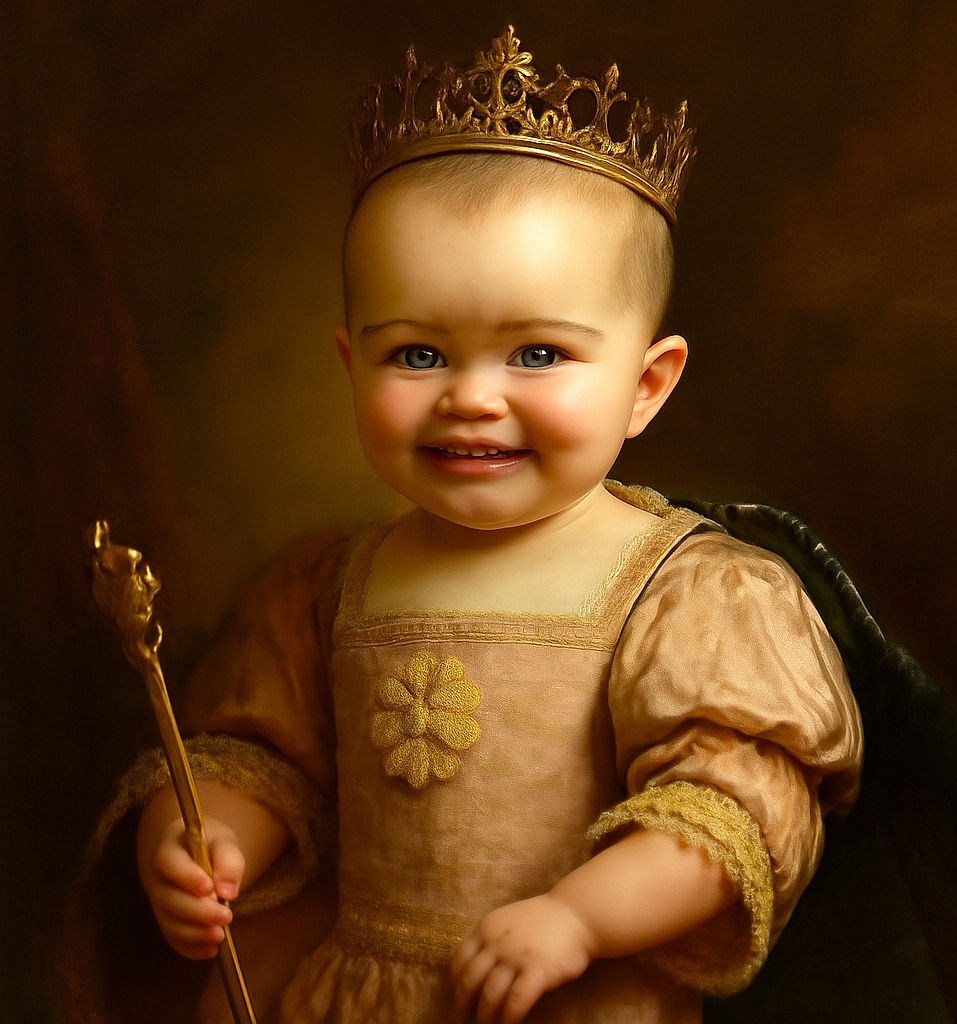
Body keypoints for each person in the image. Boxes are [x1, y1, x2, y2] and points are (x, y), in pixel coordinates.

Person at [87, 27, 863, 1024]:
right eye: (416, 355)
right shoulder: (326, 586)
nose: (470, 399)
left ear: (647, 383)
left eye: (536, 354)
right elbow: (270, 760)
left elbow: (733, 812)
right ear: (349, 361)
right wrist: (205, 841)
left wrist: (579, 919)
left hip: (563, 993)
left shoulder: (683, 592)